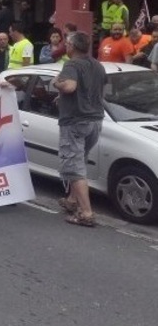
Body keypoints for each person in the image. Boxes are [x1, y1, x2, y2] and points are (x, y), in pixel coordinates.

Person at [52, 31, 107, 227]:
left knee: (73, 167)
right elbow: (94, 90)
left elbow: (69, 87)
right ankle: (71, 200)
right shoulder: (98, 65)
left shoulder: (72, 64)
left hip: (75, 121)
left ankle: (86, 213)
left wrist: (56, 82)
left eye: (67, 43)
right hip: (95, 120)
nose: (65, 46)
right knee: (80, 160)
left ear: (72, 47)